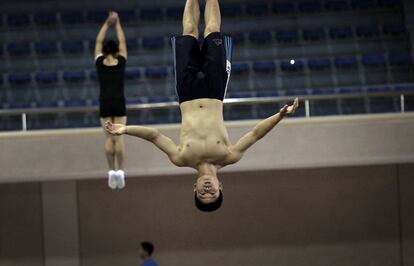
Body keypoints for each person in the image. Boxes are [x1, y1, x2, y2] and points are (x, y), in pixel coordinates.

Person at [105, 0, 299, 211]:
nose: (208, 189)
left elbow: (154, 135)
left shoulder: (181, 158)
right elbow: (255, 134)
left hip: (186, 93)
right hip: (214, 91)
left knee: (188, 30)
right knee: (211, 30)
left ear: (194, 188)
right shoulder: (228, 155)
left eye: (203, 194)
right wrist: (279, 116)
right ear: (220, 186)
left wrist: (125, 129)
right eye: (212, 193)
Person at [95, 11, 128, 190]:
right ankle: (121, 171)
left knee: (109, 137)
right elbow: (122, 42)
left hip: (105, 102)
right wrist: (117, 24)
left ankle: (111, 171)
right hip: (119, 102)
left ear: (103, 51)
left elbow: (98, 42)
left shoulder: (99, 62)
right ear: (116, 50)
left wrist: (107, 24)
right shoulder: (121, 62)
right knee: (119, 137)